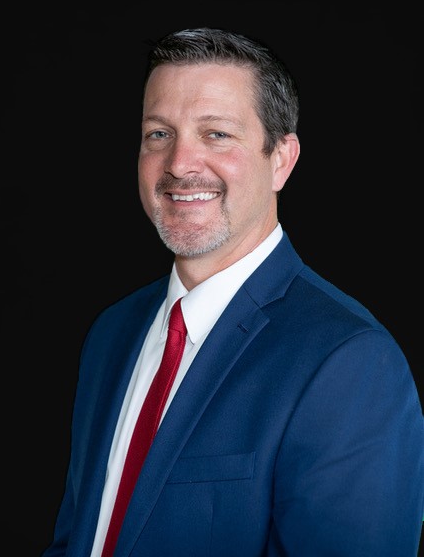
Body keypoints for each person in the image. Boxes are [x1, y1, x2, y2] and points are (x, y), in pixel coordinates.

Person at [42, 27, 424, 557]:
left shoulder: (349, 362)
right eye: (159, 133)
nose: (179, 163)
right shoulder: (112, 334)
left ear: (281, 159)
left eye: (216, 134)